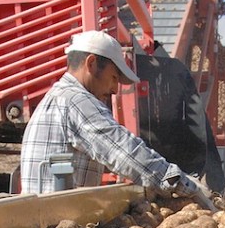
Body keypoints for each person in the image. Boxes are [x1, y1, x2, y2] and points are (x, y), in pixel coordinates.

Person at [19, 29, 211, 205]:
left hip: (47, 216)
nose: (114, 89)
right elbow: (126, 153)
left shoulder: (58, 97)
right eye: (113, 78)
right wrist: (184, 185)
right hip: (55, 222)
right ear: (91, 64)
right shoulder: (76, 100)